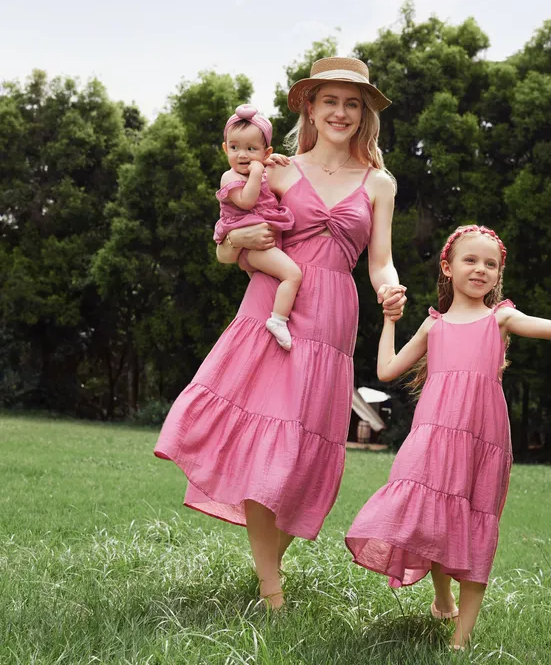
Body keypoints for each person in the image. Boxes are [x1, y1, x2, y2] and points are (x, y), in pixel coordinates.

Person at [154, 57, 407, 610]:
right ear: (309, 107)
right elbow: (227, 245)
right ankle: (272, 591)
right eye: (330, 101)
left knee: (301, 456)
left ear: (364, 114)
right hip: (274, 309)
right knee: (267, 442)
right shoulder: (276, 169)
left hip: (334, 314)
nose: (341, 112)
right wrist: (233, 244)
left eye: (352, 103)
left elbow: (380, 262)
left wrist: (390, 289)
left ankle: (268, 565)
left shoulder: (379, 183)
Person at [345, 224, 551, 650]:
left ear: (498, 275)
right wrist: (389, 322)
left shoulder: (500, 317)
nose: (480, 269)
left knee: (472, 520)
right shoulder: (433, 326)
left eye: (490, 264)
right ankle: (441, 595)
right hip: (431, 435)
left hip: (483, 438)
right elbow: (387, 369)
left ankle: (460, 641)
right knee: (429, 514)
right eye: (470, 260)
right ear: (447, 267)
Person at [215, 104, 299, 350]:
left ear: (266, 151)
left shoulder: (259, 169)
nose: (242, 155)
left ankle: (268, 318)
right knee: (293, 275)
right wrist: (257, 171)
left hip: (259, 245)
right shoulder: (230, 177)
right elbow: (247, 201)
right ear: (225, 148)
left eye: (251, 149)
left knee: (263, 290)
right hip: (251, 246)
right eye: (234, 147)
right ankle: (278, 320)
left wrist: (267, 164)